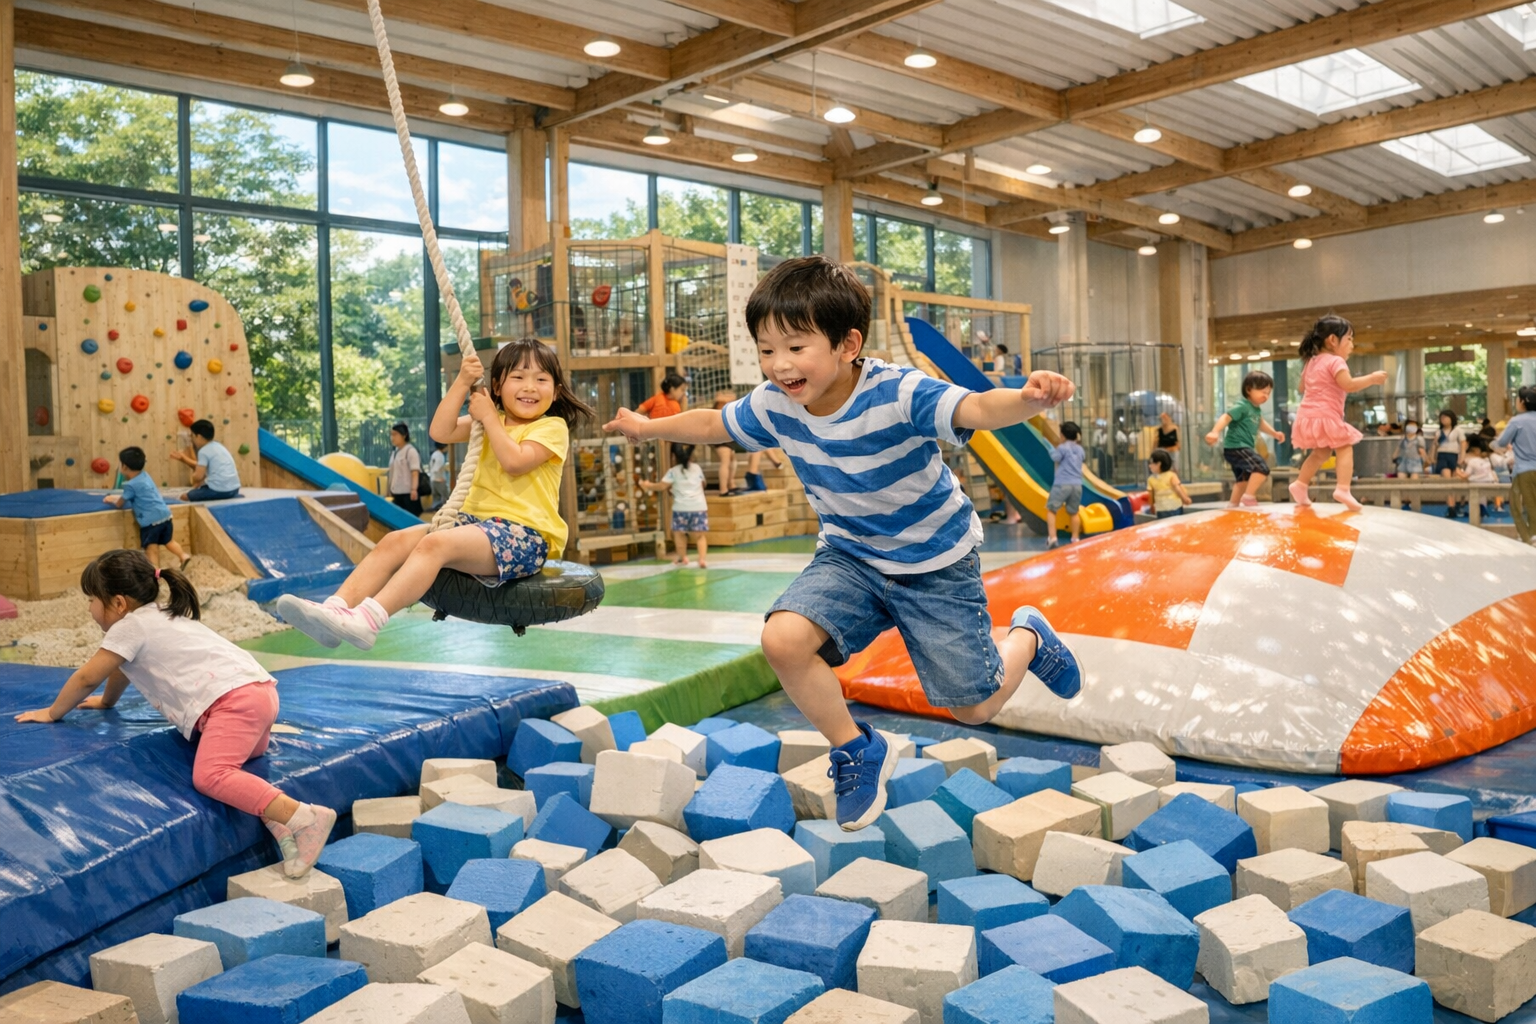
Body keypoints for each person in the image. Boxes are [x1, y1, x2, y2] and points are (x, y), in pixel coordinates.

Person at [605, 255, 1081, 832]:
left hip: (934, 563)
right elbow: (713, 424)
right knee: (782, 639)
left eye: (796, 347)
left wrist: (1028, 400)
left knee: (973, 708)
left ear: (847, 344)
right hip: (851, 556)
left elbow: (975, 408)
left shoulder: (898, 392)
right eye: (766, 349)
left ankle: (1029, 636)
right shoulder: (777, 404)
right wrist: (648, 427)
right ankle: (855, 748)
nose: (779, 365)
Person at [14, 549, 336, 878]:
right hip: (260, 693)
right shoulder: (166, 613)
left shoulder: (128, 628)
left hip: (232, 702)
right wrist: (107, 702)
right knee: (243, 759)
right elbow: (120, 669)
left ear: (119, 604)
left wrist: (53, 713)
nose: (90, 609)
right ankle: (275, 817)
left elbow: (87, 677)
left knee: (211, 776)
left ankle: (303, 818)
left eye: (92, 600)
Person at [275, 339, 593, 651]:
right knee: (394, 541)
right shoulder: (488, 421)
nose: (530, 387)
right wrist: (461, 383)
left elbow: (514, 461)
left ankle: (368, 621)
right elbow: (441, 431)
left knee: (434, 543)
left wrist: (490, 417)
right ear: (497, 386)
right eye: (519, 377)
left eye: (541, 379)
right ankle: (336, 610)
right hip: (477, 525)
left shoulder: (551, 427)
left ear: (556, 389)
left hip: (525, 536)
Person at [1285, 316, 1386, 512]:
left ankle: (1300, 484)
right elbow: (1348, 384)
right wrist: (1372, 379)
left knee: (1320, 452)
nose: (1352, 345)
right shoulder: (1335, 361)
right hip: (1326, 414)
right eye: (1349, 339)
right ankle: (1343, 489)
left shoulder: (1311, 362)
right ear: (1332, 340)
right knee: (1345, 445)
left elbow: (1301, 387)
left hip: (1306, 416)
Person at [1205, 370, 1285, 508]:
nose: (1265, 396)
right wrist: (1215, 431)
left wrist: (1274, 433)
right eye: (1262, 391)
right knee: (1261, 468)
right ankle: (1248, 497)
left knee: (1243, 480)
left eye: (1268, 393)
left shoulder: (1256, 409)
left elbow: (1260, 423)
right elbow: (1226, 417)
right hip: (1236, 447)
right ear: (1249, 389)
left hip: (1241, 448)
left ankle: (1233, 505)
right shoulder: (1242, 406)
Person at [106, 446, 188, 568]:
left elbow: (120, 503)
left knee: (151, 548)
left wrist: (111, 499)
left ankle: (155, 572)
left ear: (124, 467)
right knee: (169, 541)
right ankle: (183, 556)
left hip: (151, 521)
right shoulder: (145, 475)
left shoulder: (131, 485)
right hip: (165, 515)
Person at [640, 443, 710, 568]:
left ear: (674, 457)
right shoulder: (697, 469)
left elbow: (662, 486)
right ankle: (702, 559)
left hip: (681, 508)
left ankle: (683, 557)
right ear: (690, 457)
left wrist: (648, 485)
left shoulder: (673, 472)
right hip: (698, 507)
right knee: (700, 536)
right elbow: (703, 484)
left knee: (679, 534)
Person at [710, 389, 784, 494]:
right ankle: (723, 489)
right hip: (720, 438)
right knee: (726, 462)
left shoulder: (729, 408)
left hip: (727, 437)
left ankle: (731, 485)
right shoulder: (721, 407)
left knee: (733, 462)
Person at [1494, 385, 1536, 544]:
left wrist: (1494, 443)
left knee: (1517, 505)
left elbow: (1503, 442)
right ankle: (1533, 534)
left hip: (1524, 470)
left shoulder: (1518, 421)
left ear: (1523, 402)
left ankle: (1528, 537)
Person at [170, 420, 241, 501]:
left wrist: (194, 480)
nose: (192, 440)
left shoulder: (203, 451)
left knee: (184, 496)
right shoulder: (219, 446)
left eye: (192, 436)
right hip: (234, 489)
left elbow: (198, 476)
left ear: (199, 437)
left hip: (219, 491)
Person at [1046, 422, 1085, 548]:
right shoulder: (1080, 449)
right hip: (1077, 485)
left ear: (1062, 436)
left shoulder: (1063, 448)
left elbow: (1055, 458)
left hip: (1062, 484)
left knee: (1051, 509)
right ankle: (1075, 538)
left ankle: (1052, 538)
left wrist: (1050, 448)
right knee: (1074, 512)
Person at [1432, 409, 1469, 518]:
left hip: (1454, 455)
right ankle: (1451, 507)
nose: (1443, 419)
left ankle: (1454, 505)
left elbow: (1463, 444)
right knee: (1447, 481)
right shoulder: (1439, 432)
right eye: (1442, 418)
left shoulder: (1458, 430)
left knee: (1454, 483)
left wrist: (1462, 458)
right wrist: (1433, 457)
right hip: (1442, 456)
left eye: (1446, 417)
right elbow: (1435, 446)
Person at [1459, 435, 1504, 514]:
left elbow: (1465, 473)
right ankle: (1497, 506)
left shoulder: (1470, 459)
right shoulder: (1486, 458)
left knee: (1476, 498)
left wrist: (1457, 471)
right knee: (1484, 498)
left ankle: (1473, 509)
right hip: (1488, 480)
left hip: (1476, 481)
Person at [387, 422, 423, 517]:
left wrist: (414, 490)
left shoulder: (410, 451)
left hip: (408, 494)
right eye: (391, 434)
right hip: (396, 493)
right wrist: (389, 489)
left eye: (395, 434)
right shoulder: (395, 452)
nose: (392, 437)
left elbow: (415, 472)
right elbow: (392, 472)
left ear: (404, 435)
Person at [1146, 449, 1191, 519]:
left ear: (1159, 464)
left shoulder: (1151, 479)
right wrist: (1185, 499)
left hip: (1161, 509)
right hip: (1175, 507)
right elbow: (1178, 489)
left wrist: (1151, 506)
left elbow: (1151, 495)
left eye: (1151, 463)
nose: (1149, 466)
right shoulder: (1171, 475)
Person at [428, 442, 449, 509]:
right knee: (446, 498)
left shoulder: (434, 454)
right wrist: (441, 477)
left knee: (436, 499)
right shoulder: (440, 455)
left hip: (432, 479)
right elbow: (438, 468)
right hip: (439, 479)